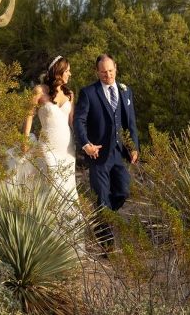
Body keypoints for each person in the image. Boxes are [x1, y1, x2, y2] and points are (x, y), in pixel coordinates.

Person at [72, 54, 140, 243]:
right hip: (98, 155)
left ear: (116, 68)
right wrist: (86, 144)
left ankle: (102, 217)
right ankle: (106, 245)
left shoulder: (126, 91)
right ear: (97, 72)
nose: (107, 75)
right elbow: (79, 120)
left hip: (119, 153)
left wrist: (133, 147)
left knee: (123, 191)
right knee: (102, 197)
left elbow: (131, 122)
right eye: (103, 72)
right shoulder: (89, 93)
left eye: (110, 71)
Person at [22, 55, 79, 211]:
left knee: (66, 188)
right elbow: (28, 116)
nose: (70, 74)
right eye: (67, 71)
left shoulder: (70, 94)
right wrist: (25, 141)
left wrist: (85, 142)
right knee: (52, 184)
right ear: (58, 72)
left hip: (67, 149)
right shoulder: (39, 91)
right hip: (47, 146)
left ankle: (67, 230)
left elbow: (73, 123)